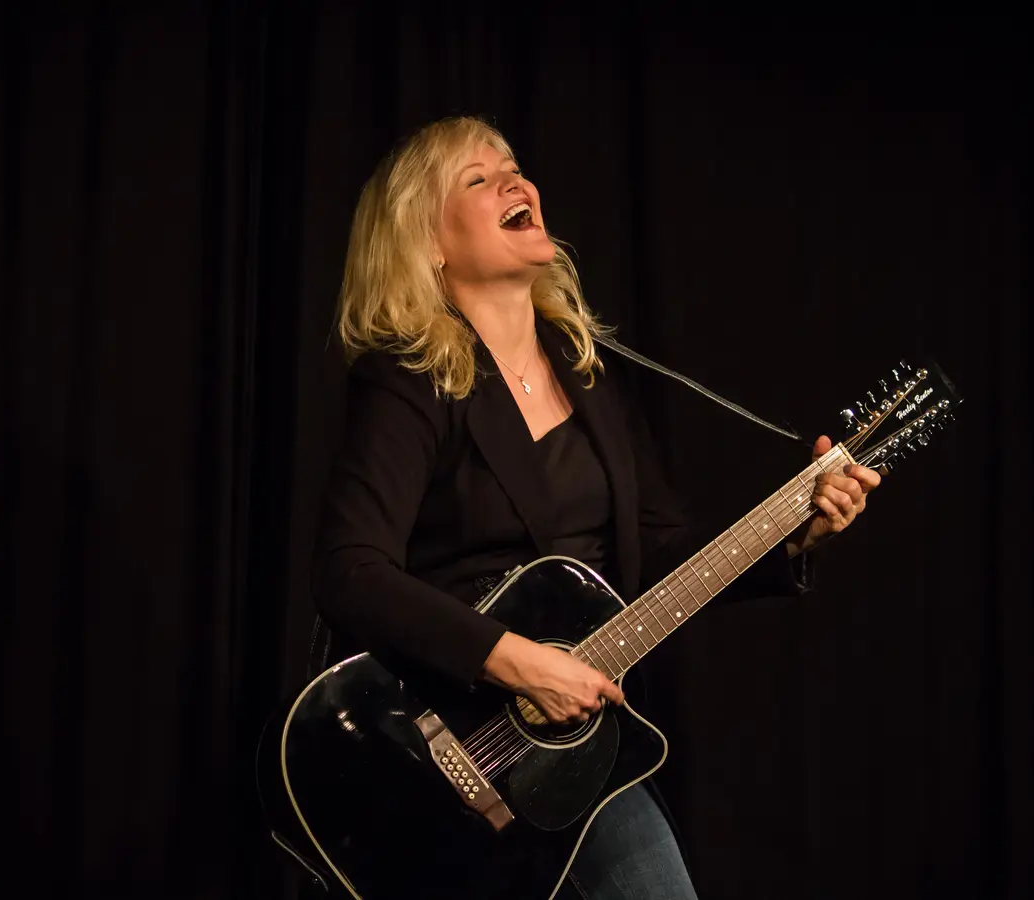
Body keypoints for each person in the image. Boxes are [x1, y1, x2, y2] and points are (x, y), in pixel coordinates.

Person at [312, 116, 881, 900]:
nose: (515, 182)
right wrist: (516, 660)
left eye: (513, 167)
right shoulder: (409, 382)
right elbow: (350, 572)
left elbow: (659, 554)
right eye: (478, 179)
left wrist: (793, 534)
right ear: (428, 244)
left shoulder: (590, 378)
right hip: (440, 747)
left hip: (574, 752)